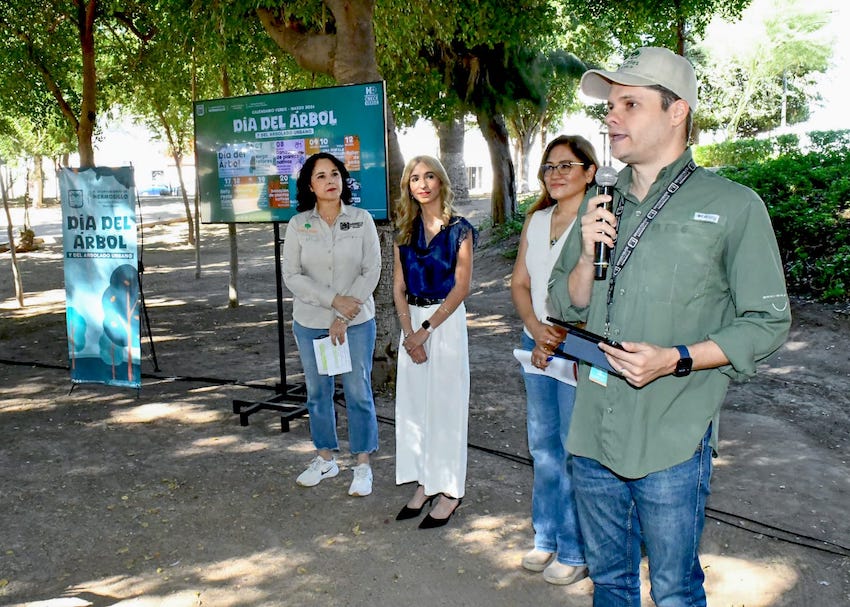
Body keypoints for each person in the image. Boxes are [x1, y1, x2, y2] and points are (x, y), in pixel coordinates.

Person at [547, 47, 791, 605]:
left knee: (675, 589)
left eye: (629, 104)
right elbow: (564, 304)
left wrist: (676, 358)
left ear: (677, 111)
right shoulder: (599, 201)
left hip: (673, 434)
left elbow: (767, 321)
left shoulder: (732, 205)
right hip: (593, 429)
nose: (612, 116)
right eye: (610, 105)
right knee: (610, 583)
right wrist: (584, 254)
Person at [509, 135, 598, 585]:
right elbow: (520, 283)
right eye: (549, 167)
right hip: (537, 345)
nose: (556, 174)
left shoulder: (599, 220)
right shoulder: (537, 219)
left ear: (590, 171)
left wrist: (557, 335)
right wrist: (536, 329)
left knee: (572, 451)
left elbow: (598, 292)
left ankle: (576, 549)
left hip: (577, 346)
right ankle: (546, 537)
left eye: (567, 165)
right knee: (543, 449)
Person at [282, 152, 381, 497]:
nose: (330, 181)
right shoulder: (298, 224)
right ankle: (325, 458)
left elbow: (371, 270)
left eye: (335, 174)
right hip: (310, 322)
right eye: (321, 176)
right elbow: (292, 275)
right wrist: (333, 301)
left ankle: (362, 463)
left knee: (358, 391)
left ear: (343, 179)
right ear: (310, 185)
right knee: (317, 393)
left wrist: (343, 315)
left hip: (356, 322)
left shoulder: (362, 219)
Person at [392, 155, 476, 529]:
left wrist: (425, 330)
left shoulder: (460, 229)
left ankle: (450, 491)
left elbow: (461, 287)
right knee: (414, 409)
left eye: (429, 176)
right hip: (411, 323)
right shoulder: (404, 231)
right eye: (415, 179)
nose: (422, 184)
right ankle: (425, 482)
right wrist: (409, 333)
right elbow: (398, 286)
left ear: (441, 181)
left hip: (445, 323)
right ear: (408, 187)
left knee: (446, 408)